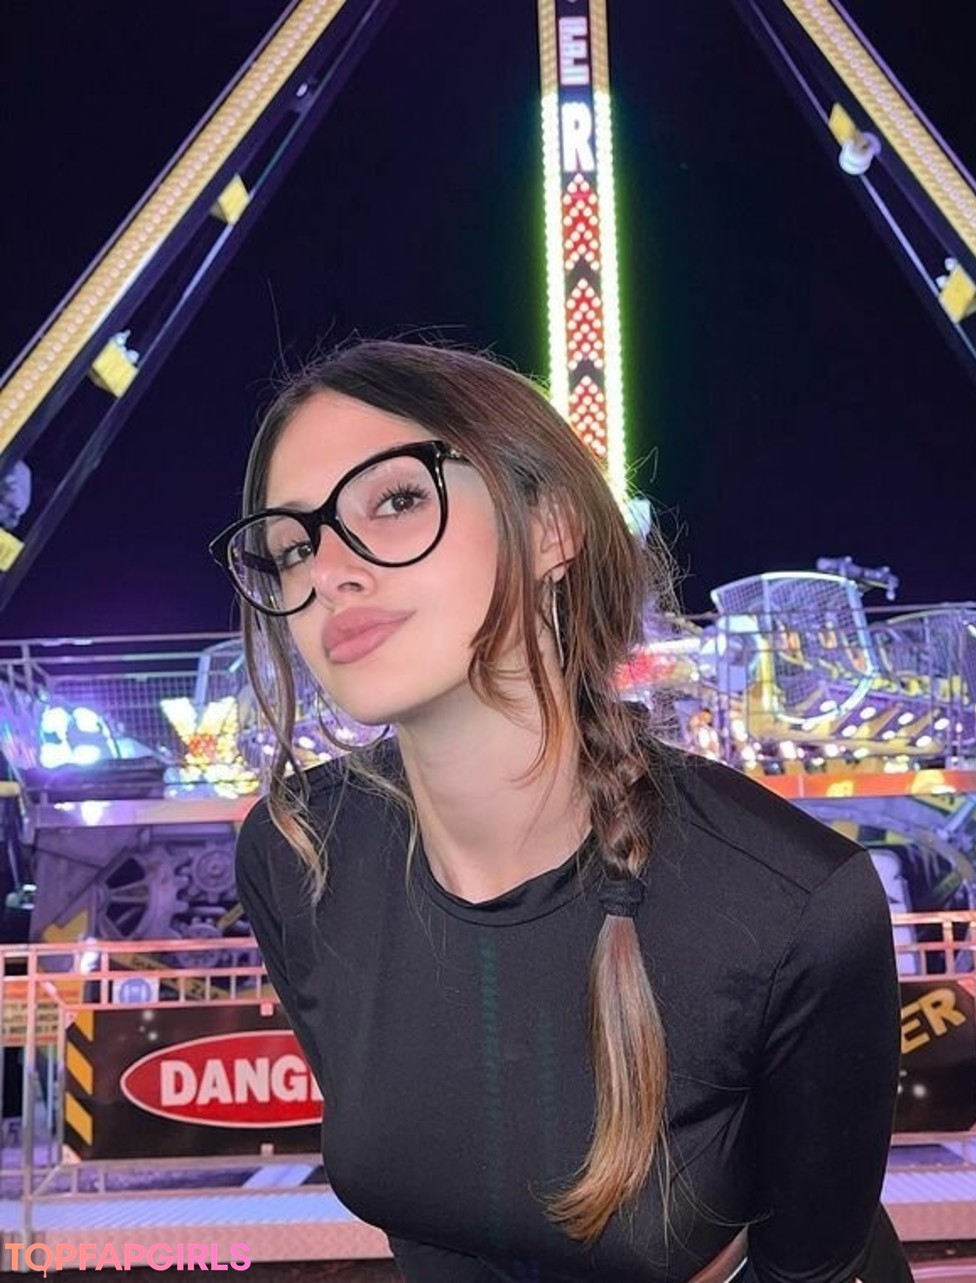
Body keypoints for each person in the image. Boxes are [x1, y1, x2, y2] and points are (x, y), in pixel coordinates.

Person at [211, 340, 911, 1283]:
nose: (328, 570)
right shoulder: (299, 855)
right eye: (292, 546)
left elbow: (818, 1263)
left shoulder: (792, 901)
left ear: (551, 527)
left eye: (398, 499)